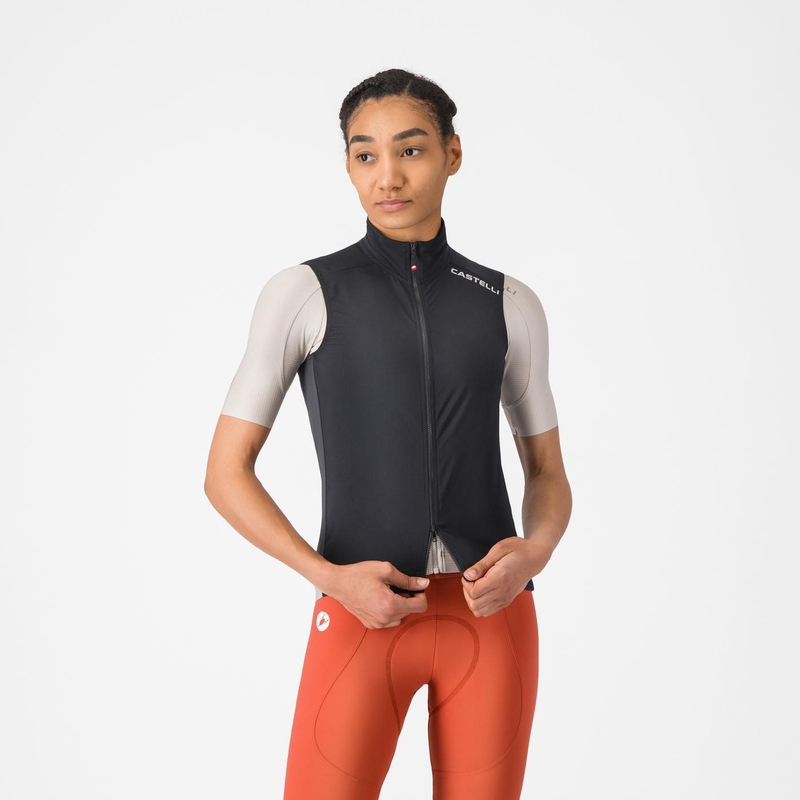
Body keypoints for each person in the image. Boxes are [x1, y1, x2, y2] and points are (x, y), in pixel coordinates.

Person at [204, 68, 572, 800]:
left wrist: (536, 550)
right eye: (365, 154)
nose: (388, 176)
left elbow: (547, 472)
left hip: (492, 615)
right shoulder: (305, 293)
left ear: (452, 154)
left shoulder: (509, 303)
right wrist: (329, 577)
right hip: (359, 615)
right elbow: (225, 474)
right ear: (347, 165)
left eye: (410, 150)